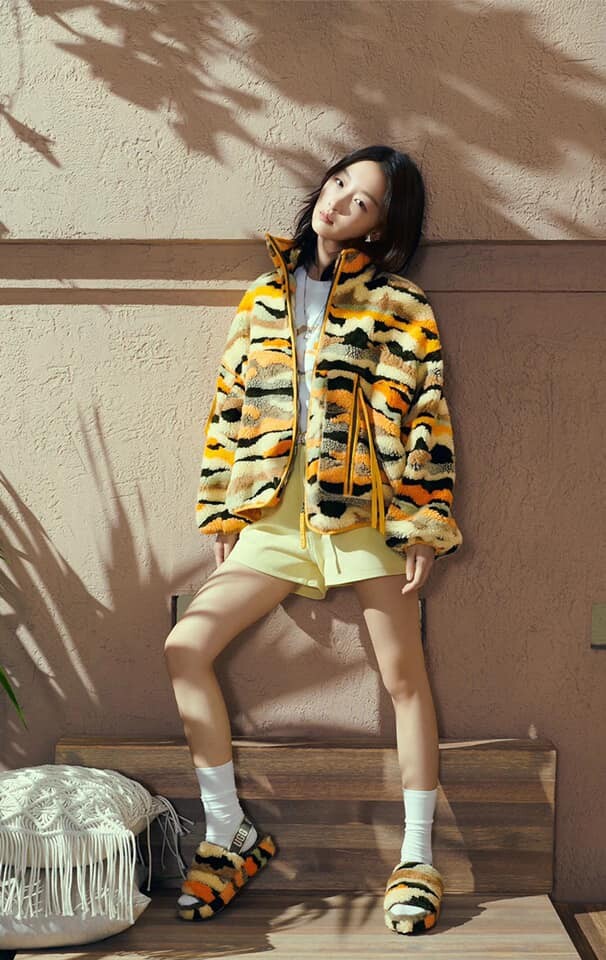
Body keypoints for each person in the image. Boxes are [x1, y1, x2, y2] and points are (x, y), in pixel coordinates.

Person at [163, 145, 463, 935]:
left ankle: (417, 857)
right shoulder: (263, 295)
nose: (339, 201)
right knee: (185, 648)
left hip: (364, 509)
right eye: (338, 183)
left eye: (362, 200)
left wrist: (424, 519)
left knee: (404, 678)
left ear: (381, 227)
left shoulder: (400, 302)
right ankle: (230, 835)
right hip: (273, 513)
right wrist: (223, 509)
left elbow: (425, 410)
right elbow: (229, 405)